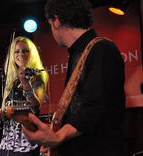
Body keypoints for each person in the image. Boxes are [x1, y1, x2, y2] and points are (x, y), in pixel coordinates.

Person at [22, 0, 127, 156]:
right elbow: (79, 110)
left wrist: (58, 137)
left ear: (56, 21)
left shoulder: (102, 49)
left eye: (50, 24)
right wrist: (55, 140)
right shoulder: (78, 55)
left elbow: (92, 108)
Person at [0, 36, 49, 156]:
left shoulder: (37, 76)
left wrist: (25, 82)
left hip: (26, 143)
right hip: (6, 145)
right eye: (16, 51)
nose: (20, 54)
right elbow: (6, 110)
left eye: (25, 50)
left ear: (31, 53)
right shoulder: (11, 79)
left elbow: (35, 107)